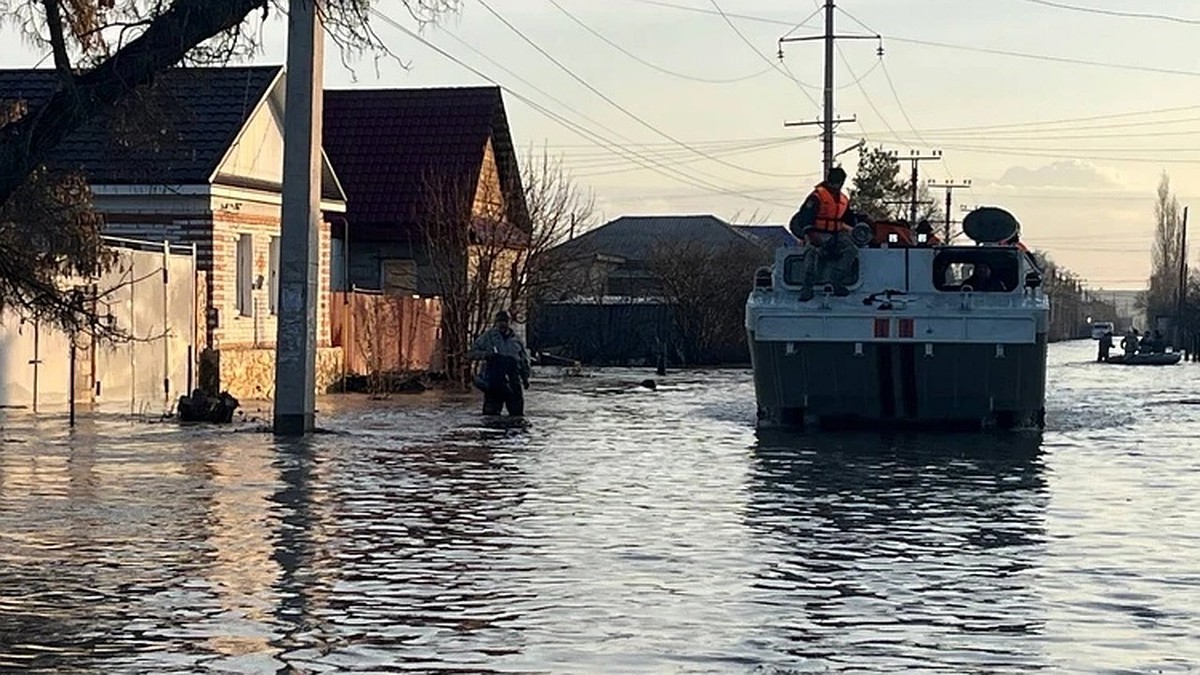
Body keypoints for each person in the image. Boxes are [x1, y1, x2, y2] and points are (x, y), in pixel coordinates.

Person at [788, 166, 861, 301]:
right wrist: (810, 234)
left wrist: (861, 222)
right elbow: (805, 217)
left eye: (838, 182)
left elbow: (849, 218)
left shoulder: (843, 199)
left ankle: (836, 279)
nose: (836, 185)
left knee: (851, 250)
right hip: (816, 233)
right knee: (812, 253)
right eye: (834, 181)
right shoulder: (817, 197)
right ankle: (807, 287)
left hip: (836, 235)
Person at [467, 310, 531, 416]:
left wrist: (525, 379)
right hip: (494, 382)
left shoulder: (516, 340)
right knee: (490, 416)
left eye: (505, 321)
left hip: (513, 382)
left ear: (509, 322)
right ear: (496, 323)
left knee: (517, 416)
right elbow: (471, 353)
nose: (502, 324)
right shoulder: (488, 337)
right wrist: (487, 354)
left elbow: (523, 361)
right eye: (500, 321)